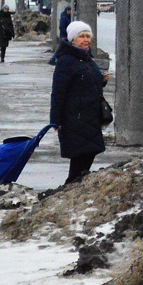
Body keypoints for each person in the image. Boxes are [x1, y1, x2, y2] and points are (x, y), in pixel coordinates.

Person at [50, 21, 107, 186]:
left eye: (88, 36)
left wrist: (101, 81)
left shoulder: (86, 58)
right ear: (73, 39)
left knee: (89, 151)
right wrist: (56, 119)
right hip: (75, 117)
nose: (86, 40)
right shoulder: (66, 60)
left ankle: (76, 185)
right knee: (81, 154)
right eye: (82, 36)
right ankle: (71, 187)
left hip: (90, 115)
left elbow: (84, 81)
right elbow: (58, 91)